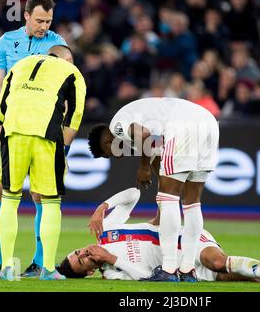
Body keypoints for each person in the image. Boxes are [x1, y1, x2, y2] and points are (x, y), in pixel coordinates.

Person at [0, 0, 67, 277]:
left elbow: (67, 88)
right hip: (13, 127)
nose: (44, 26)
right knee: (0, 190)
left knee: (39, 194)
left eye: (48, 21)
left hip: (44, 128)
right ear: (26, 16)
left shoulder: (57, 45)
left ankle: (39, 261)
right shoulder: (7, 42)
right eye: (39, 20)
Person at [57, 188, 260, 284]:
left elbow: (133, 194)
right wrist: (111, 259)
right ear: (91, 271)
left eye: (78, 252)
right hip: (180, 268)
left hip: (183, 238)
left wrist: (102, 206)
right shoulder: (112, 273)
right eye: (83, 261)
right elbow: (151, 276)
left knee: (218, 261)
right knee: (251, 278)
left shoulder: (107, 232)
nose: (84, 253)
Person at [88, 97, 219, 282]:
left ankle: (168, 269)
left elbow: (145, 135)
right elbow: (160, 165)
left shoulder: (117, 125)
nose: (116, 157)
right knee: (192, 202)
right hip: (208, 122)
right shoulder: (135, 126)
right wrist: (160, 212)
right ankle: (188, 270)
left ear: (108, 141)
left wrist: (143, 167)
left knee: (169, 200)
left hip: (183, 125)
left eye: (110, 154)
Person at [0, 45, 85, 280]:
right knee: (51, 201)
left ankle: (6, 267)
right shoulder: (72, 72)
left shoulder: (19, 65)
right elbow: (74, 117)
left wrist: (3, 130)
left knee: (10, 198)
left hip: (13, 135)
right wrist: (62, 150)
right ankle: (48, 269)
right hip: (47, 137)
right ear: (68, 58)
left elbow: (1, 108)